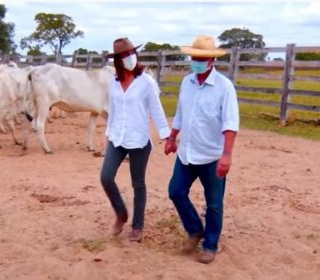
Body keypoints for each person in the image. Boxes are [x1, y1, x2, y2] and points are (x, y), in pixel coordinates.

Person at [164, 35, 239, 263]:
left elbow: (230, 124)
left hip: (212, 156)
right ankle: (195, 229)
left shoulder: (224, 87)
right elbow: (180, 113)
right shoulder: (187, 82)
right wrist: (172, 137)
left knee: (214, 204)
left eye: (201, 57)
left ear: (211, 60)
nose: (196, 60)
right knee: (175, 191)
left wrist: (226, 155)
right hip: (187, 152)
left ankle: (210, 245)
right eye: (194, 57)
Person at [100, 37, 170, 242]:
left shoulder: (146, 82)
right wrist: (107, 135)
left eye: (131, 53)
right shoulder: (113, 83)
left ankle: (137, 226)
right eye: (124, 55)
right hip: (117, 137)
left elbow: (156, 110)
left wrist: (166, 135)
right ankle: (121, 213)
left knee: (138, 183)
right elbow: (112, 111)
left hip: (139, 139)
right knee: (105, 177)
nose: (129, 58)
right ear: (118, 60)